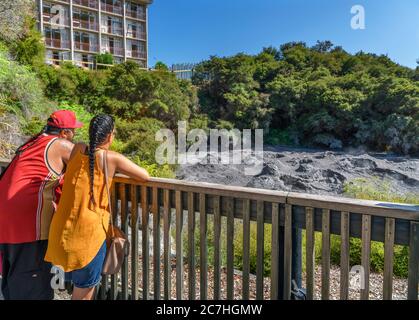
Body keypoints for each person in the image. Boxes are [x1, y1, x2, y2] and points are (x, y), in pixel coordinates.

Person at [45, 114, 150, 300]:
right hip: (88, 238)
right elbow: (144, 176)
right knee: (83, 294)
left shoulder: (77, 148)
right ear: (110, 136)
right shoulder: (111, 159)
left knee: (71, 287)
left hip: (61, 232)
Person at [0, 110, 83, 300]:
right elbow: (90, 164)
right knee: (34, 285)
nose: (74, 136)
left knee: (14, 280)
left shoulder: (33, 143)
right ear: (64, 133)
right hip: (28, 224)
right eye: (72, 131)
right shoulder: (60, 145)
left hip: (7, 222)